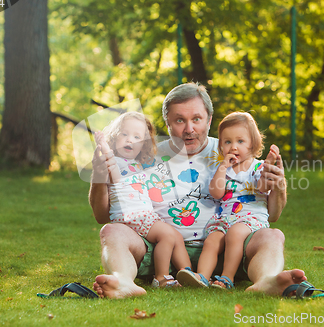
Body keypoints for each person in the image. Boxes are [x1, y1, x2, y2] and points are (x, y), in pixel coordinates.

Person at [91, 82, 307, 299]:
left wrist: (279, 187)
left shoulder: (233, 150)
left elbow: (273, 215)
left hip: (228, 250)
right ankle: (124, 282)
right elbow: (102, 216)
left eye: (196, 119)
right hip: (160, 253)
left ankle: (267, 280)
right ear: (167, 123)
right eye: (179, 121)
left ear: (209, 120)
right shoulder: (145, 155)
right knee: (111, 231)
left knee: (272, 235)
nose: (189, 129)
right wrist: (99, 176)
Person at [93, 111, 191, 288]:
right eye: (124, 134)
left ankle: (189, 273)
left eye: (137, 137)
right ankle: (161, 278)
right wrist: (102, 145)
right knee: (168, 235)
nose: (130, 140)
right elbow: (108, 160)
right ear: (114, 138)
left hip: (142, 215)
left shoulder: (138, 164)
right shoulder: (115, 161)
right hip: (132, 216)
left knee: (175, 235)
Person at [176, 112, 272, 289]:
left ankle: (227, 278)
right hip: (225, 219)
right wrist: (223, 168)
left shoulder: (258, 167)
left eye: (240, 141)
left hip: (250, 218)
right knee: (212, 240)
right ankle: (202, 276)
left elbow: (263, 187)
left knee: (235, 234)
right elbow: (216, 192)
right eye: (227, 142)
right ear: (221, 146)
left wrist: (269, 170)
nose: (233, 147)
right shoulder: (223, 169)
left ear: (253, 143)